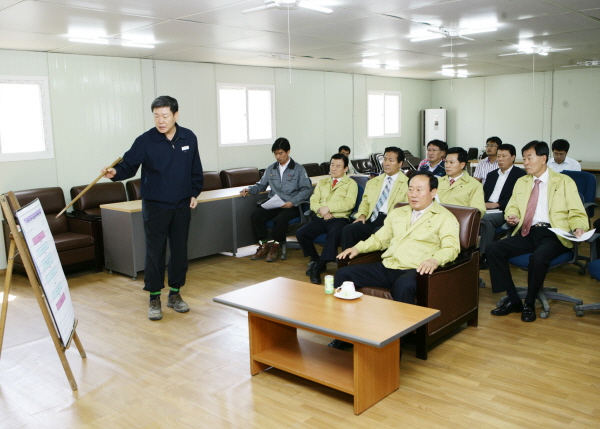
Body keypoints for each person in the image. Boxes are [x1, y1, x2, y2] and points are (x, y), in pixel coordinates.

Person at [331, 171, 460, 349]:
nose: (413, 194)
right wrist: (356, 248)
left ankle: (398, 343)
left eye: (419, 190)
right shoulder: (398, 212)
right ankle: (344, 333)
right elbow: (379, 239)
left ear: (433, 192)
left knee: (403, 286)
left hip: (415, 271)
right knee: (344, 273)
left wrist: (435, 260)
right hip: (388, 266)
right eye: (411, 189)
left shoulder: (445, 217)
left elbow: (451, 248)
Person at [102, 96, 203, 321]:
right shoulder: (145, 141)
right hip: (155, 206)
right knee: (155, 251)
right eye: (156, 116)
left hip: (182, 205)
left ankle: (175, 294)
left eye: (165, 116)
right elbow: (128, 164)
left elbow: (196, 168)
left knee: (179, 250)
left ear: (175, 115)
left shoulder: (189, 137)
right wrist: (115, 173)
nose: (160, 120)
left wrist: (195, 192)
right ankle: (155, 297)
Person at [487, 140, 588, 322]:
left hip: (555, 234)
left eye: (529, 158)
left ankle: (530, 303)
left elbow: (576, 212)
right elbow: (512, 207)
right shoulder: (521, 182)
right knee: (494, 249)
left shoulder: (564, 182)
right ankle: (514, 299)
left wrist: (578, 227)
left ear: (543, 158)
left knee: (538, 258)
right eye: (524, 158)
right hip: (528, 231)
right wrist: (512, 215)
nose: (525, 162)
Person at [240, 138, 313, 262]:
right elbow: (261, 185)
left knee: (280, 219)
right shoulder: (271, 169)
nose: (278, 157)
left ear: (288, 151)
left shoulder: (298, 169)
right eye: (275, 154)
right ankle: (263, 244)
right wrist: (249, 189)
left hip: (292, 205)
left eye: (281, 153)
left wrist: (293, 202)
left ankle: (276, 245)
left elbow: (306, 189)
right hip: (275, 204)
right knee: (256, 216)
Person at [296, 153, 358, 285]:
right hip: (321, 217)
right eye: (332, 165)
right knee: (301, 233)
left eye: (338, 166)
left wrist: (329, 208)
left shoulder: (351, 184)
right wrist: (321, 210)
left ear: (346, 168)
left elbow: (349, 204)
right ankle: (317, 259)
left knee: (334, 234)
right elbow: (313, 200)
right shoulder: (322, 182)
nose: (333, 168)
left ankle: (317, 269)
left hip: (339, 219)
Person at [340, 147, 408, 250]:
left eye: (391, 160)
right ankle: (347, 262)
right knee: (348, 229)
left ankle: (372, 264)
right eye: (385, 159)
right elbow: (365, 202)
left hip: (389, 221)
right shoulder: (373, 182)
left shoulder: (408, 184)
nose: (386, 163)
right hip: (371, 218)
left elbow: (407, 209)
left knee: (379, 232)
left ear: (400, 163)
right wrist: (362, 215)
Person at [479, 144, 526, 269]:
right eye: (498, 156)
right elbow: (483, 194)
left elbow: (518, 200)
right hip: (486, 208)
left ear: (513, 157)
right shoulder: (492, 175)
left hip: (503, 210)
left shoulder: (520, 176)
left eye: (504, 156)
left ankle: (484, 255)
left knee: (486, 221)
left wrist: (497, 204)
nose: (500, 159)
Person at [436, 147, 486, 216]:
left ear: (462, 165)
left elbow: (478, 210)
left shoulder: (474, 185)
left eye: (451, 162)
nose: (447, 165)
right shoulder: (437, 182)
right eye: (446, 162)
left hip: (459, 222)